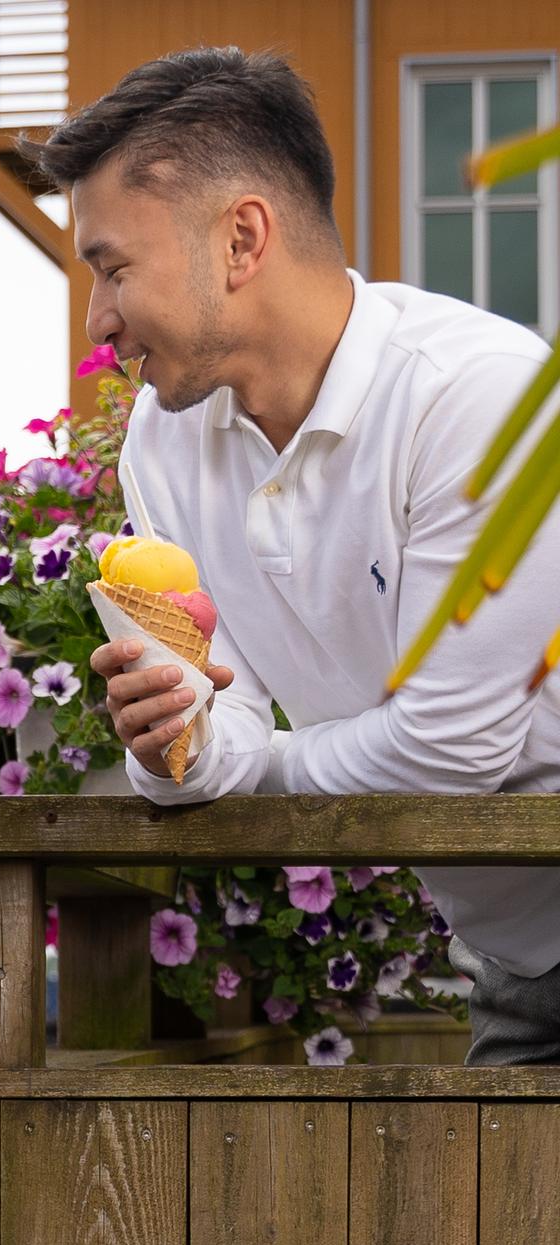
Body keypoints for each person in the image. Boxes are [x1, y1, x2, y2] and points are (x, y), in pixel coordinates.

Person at [46, 47, 560, 1056]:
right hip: (509, 958)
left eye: (111, 269)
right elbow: (210, 735)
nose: (98, 320)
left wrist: (256, 760)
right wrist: (167, 747)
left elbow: (452, 756)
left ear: (239, 239)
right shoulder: (162, 438)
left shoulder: (478, 395)